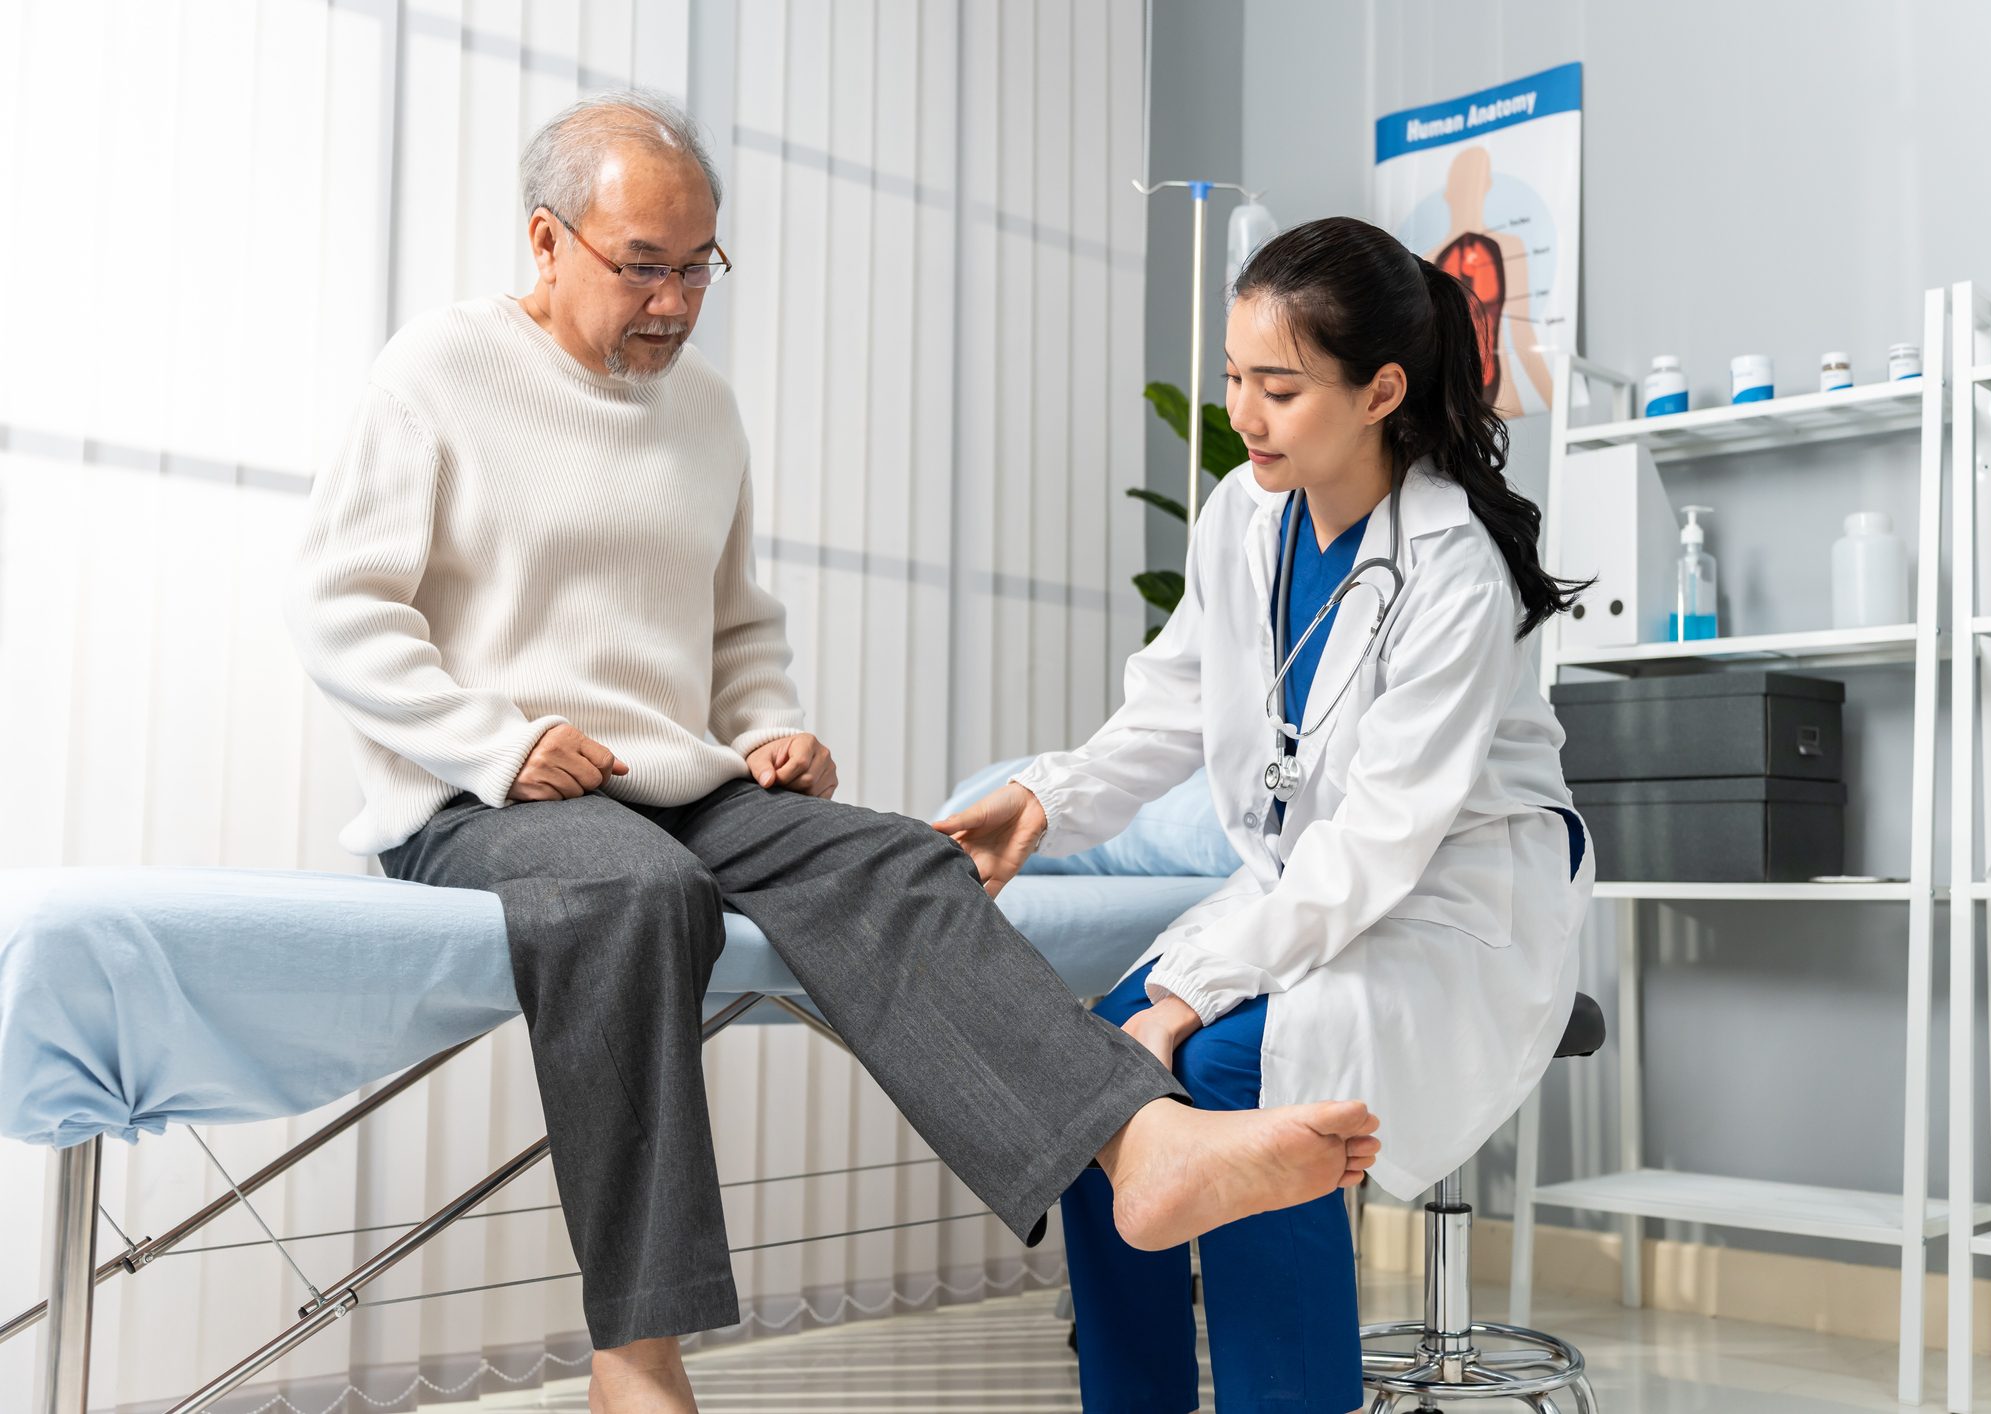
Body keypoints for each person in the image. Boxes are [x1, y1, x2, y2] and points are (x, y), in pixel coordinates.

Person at [283, 90, 1381, 1414]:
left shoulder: (705, 415)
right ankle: (636, 1357)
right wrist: (495, 742)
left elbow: (739, 623)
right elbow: (340, 606)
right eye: (645, 266)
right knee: (638, 895)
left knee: (905, 862)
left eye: (700, 267)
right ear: (546, 240)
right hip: (478, 796)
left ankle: (1137, 1141)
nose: (676, 302)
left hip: (674, 782)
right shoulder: (439, 372)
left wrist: (763, 731)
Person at [934, 215, 1594, 1414]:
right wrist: (1044, 797)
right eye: (1235, 377)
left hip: (1448, 902)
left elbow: (1382, 838)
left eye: (1279, 387)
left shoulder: (1454, 567)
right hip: (1301, 889)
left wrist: (1188, 1000)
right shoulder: (1245, 512)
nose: (1244, 412)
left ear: (1382, 389)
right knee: (1093, 1081)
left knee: (1238, 1070)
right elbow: (1173, 705)